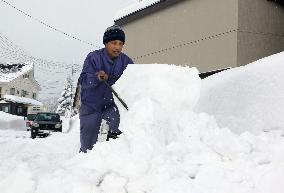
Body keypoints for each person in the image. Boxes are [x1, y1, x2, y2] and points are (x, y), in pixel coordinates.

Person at [79, 25, 133, 153]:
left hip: (110, 105)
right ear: (106, 43)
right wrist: (96, 76)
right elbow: (84, 80)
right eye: (114, 43)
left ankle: (111, 163)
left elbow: (134, 80)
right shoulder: (93, 58)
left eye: (121, 44)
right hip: (91, 107)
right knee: (88, 145)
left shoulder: (126, 62)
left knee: (115, 134)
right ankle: (84, 164)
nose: (118, 47)